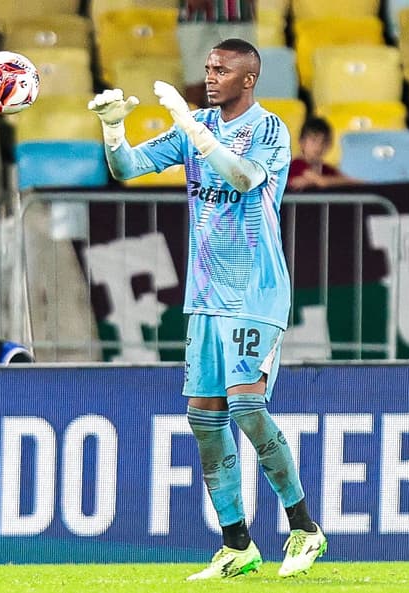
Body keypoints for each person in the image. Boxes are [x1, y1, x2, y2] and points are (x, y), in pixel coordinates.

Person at [88, 38, 326, 580]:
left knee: (246, 405)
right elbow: (126, 167)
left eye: (222, 69)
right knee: (204, 418)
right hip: (206, 296)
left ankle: (304, 528)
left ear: (248, 79)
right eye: (208, 66)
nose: (210, 75)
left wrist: (194, 130)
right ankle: (237, 544)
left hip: (257, 290)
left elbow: (244, 179)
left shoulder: (269, 130)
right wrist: (113, 127)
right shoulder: (195, 122)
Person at [177, 0, 256, 107]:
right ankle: (191, 121)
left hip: (237, 14)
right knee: (194, 83)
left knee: (239, 83)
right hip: (195, 17)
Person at [288, 116, 361, 190]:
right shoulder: (297, 164)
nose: (319, 146)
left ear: (329, 144)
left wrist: (312, 182)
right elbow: (322, 182)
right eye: (314, 140)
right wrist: (321, 181)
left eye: (324, 141)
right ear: (302, 142)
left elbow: (352, 181)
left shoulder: (326, 169)